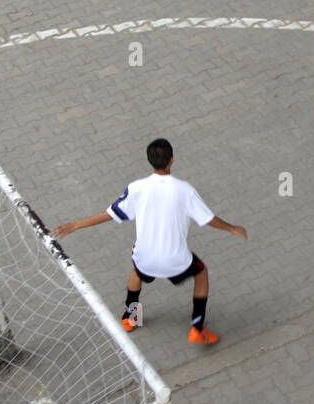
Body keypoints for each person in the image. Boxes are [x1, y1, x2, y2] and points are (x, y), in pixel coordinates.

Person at [52, 138, 246, 345]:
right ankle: (197, 327)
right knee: (201, 272)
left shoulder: (136, 188)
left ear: (149, 161)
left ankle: (131, 317)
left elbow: (110, 214)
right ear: (171, 160)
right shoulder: (184, 189)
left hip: (146, 260)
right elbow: (208, 219)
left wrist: (75, 225)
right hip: (177, 261)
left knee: (136, 271)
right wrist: (232, 228)